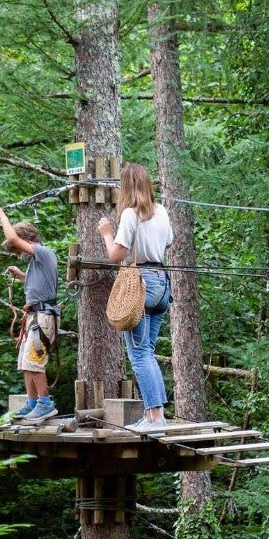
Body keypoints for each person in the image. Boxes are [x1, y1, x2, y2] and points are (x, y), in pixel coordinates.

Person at [98, 164, 174, 432]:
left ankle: (155, 418)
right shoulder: (162, 210)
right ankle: (155, 413)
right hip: (162, 283)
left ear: (126, 188)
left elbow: (116, 256)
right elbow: (168, 243)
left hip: (139, 284)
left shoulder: (131, 215)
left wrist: (107, 233)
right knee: (148, 352)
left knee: (140, 356)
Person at [0, 205, 60, 423]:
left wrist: (1, 215)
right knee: (25, 361)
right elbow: (42, 285)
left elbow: (12, 239)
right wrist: (22, 276)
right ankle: (31, 402)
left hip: (43, 316)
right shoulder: (35, 262)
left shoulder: (43, 252)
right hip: (34, 315)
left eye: (20, 249)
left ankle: (45, 403)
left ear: (27, 240)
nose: (19, 254)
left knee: (34, 360)